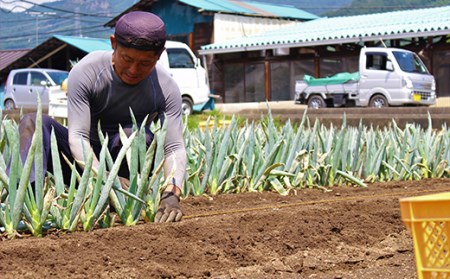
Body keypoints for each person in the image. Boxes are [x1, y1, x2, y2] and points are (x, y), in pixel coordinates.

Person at [14, 11, 186, 223]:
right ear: (113, 43)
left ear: (159, 56)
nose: (133, 70)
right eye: (127, 59)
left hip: (127, 174)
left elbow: (174, 147)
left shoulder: (165, 87)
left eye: (145, 63)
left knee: (135, 135)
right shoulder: (87, 71)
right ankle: (22, 203)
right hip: (82, 165)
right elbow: (77, 136)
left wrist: (172, 193)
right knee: (33, 123)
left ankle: (121, 205)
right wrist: (105, 178)